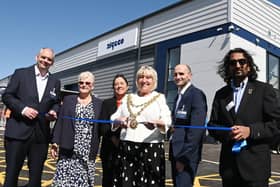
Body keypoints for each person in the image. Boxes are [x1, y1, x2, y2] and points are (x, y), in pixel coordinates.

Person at [208, 48, 280, 187]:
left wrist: (250, 131)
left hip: (256, 169)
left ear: (249, 65)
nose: (238, 66)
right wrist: (227, 133)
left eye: (242, 61)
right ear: (228, 67)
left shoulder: (264, 90)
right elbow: (212, 125)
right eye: (233, 62)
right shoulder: (221, 94)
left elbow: (276, 124)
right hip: (229, 169)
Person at [2, 48, 61, 187]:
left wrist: (53, 111)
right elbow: (7, 96)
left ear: (52, 63)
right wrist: (23, 109)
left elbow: (56, 103)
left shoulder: (55, 81)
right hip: (17, 133)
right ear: (36, 57)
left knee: (35, 180)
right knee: (11, 177)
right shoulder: (20, 74)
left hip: (40, 137)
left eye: (49, 59)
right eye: (43, 57)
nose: (45, 61)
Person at [111, 65, 172, 187]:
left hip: (151, 148)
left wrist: (157, 123)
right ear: (137, 80)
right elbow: (114, 117)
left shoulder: (159, 98)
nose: (144, 80)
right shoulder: (128, 97)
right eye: (141, 77)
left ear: (154, 81)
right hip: (127, 147)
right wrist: (119, 120)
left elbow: (167, 120)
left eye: (148, 77)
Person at [50, 71, 102, 186]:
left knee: (83, 183)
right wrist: (55, 143)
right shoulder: (68, 100)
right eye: (81, 82)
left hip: (87, 151)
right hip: (68, 149)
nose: (84, 85)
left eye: (87, 83)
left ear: (92, 86)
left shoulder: (99, 104)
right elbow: (60, 122)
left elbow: (103, 126)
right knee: (63, 182)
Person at [170, 64, 207, 187]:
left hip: (186, 156)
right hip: (176, 152)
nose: (178, 77)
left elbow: (196, 131)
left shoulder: (196, 95)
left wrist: (183, 158)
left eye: (181, 74)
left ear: (189, 76)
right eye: (175, 74)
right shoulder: (178, 96)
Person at [99, 74, 129, 187]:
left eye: (121, 83)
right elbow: (102, 126)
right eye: (116, 84)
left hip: (128, 148)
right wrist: (114, 138)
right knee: (108, 180)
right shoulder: (106, 103)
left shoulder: (133, 102)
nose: (119, 86)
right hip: (109, 149)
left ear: (127, 86)